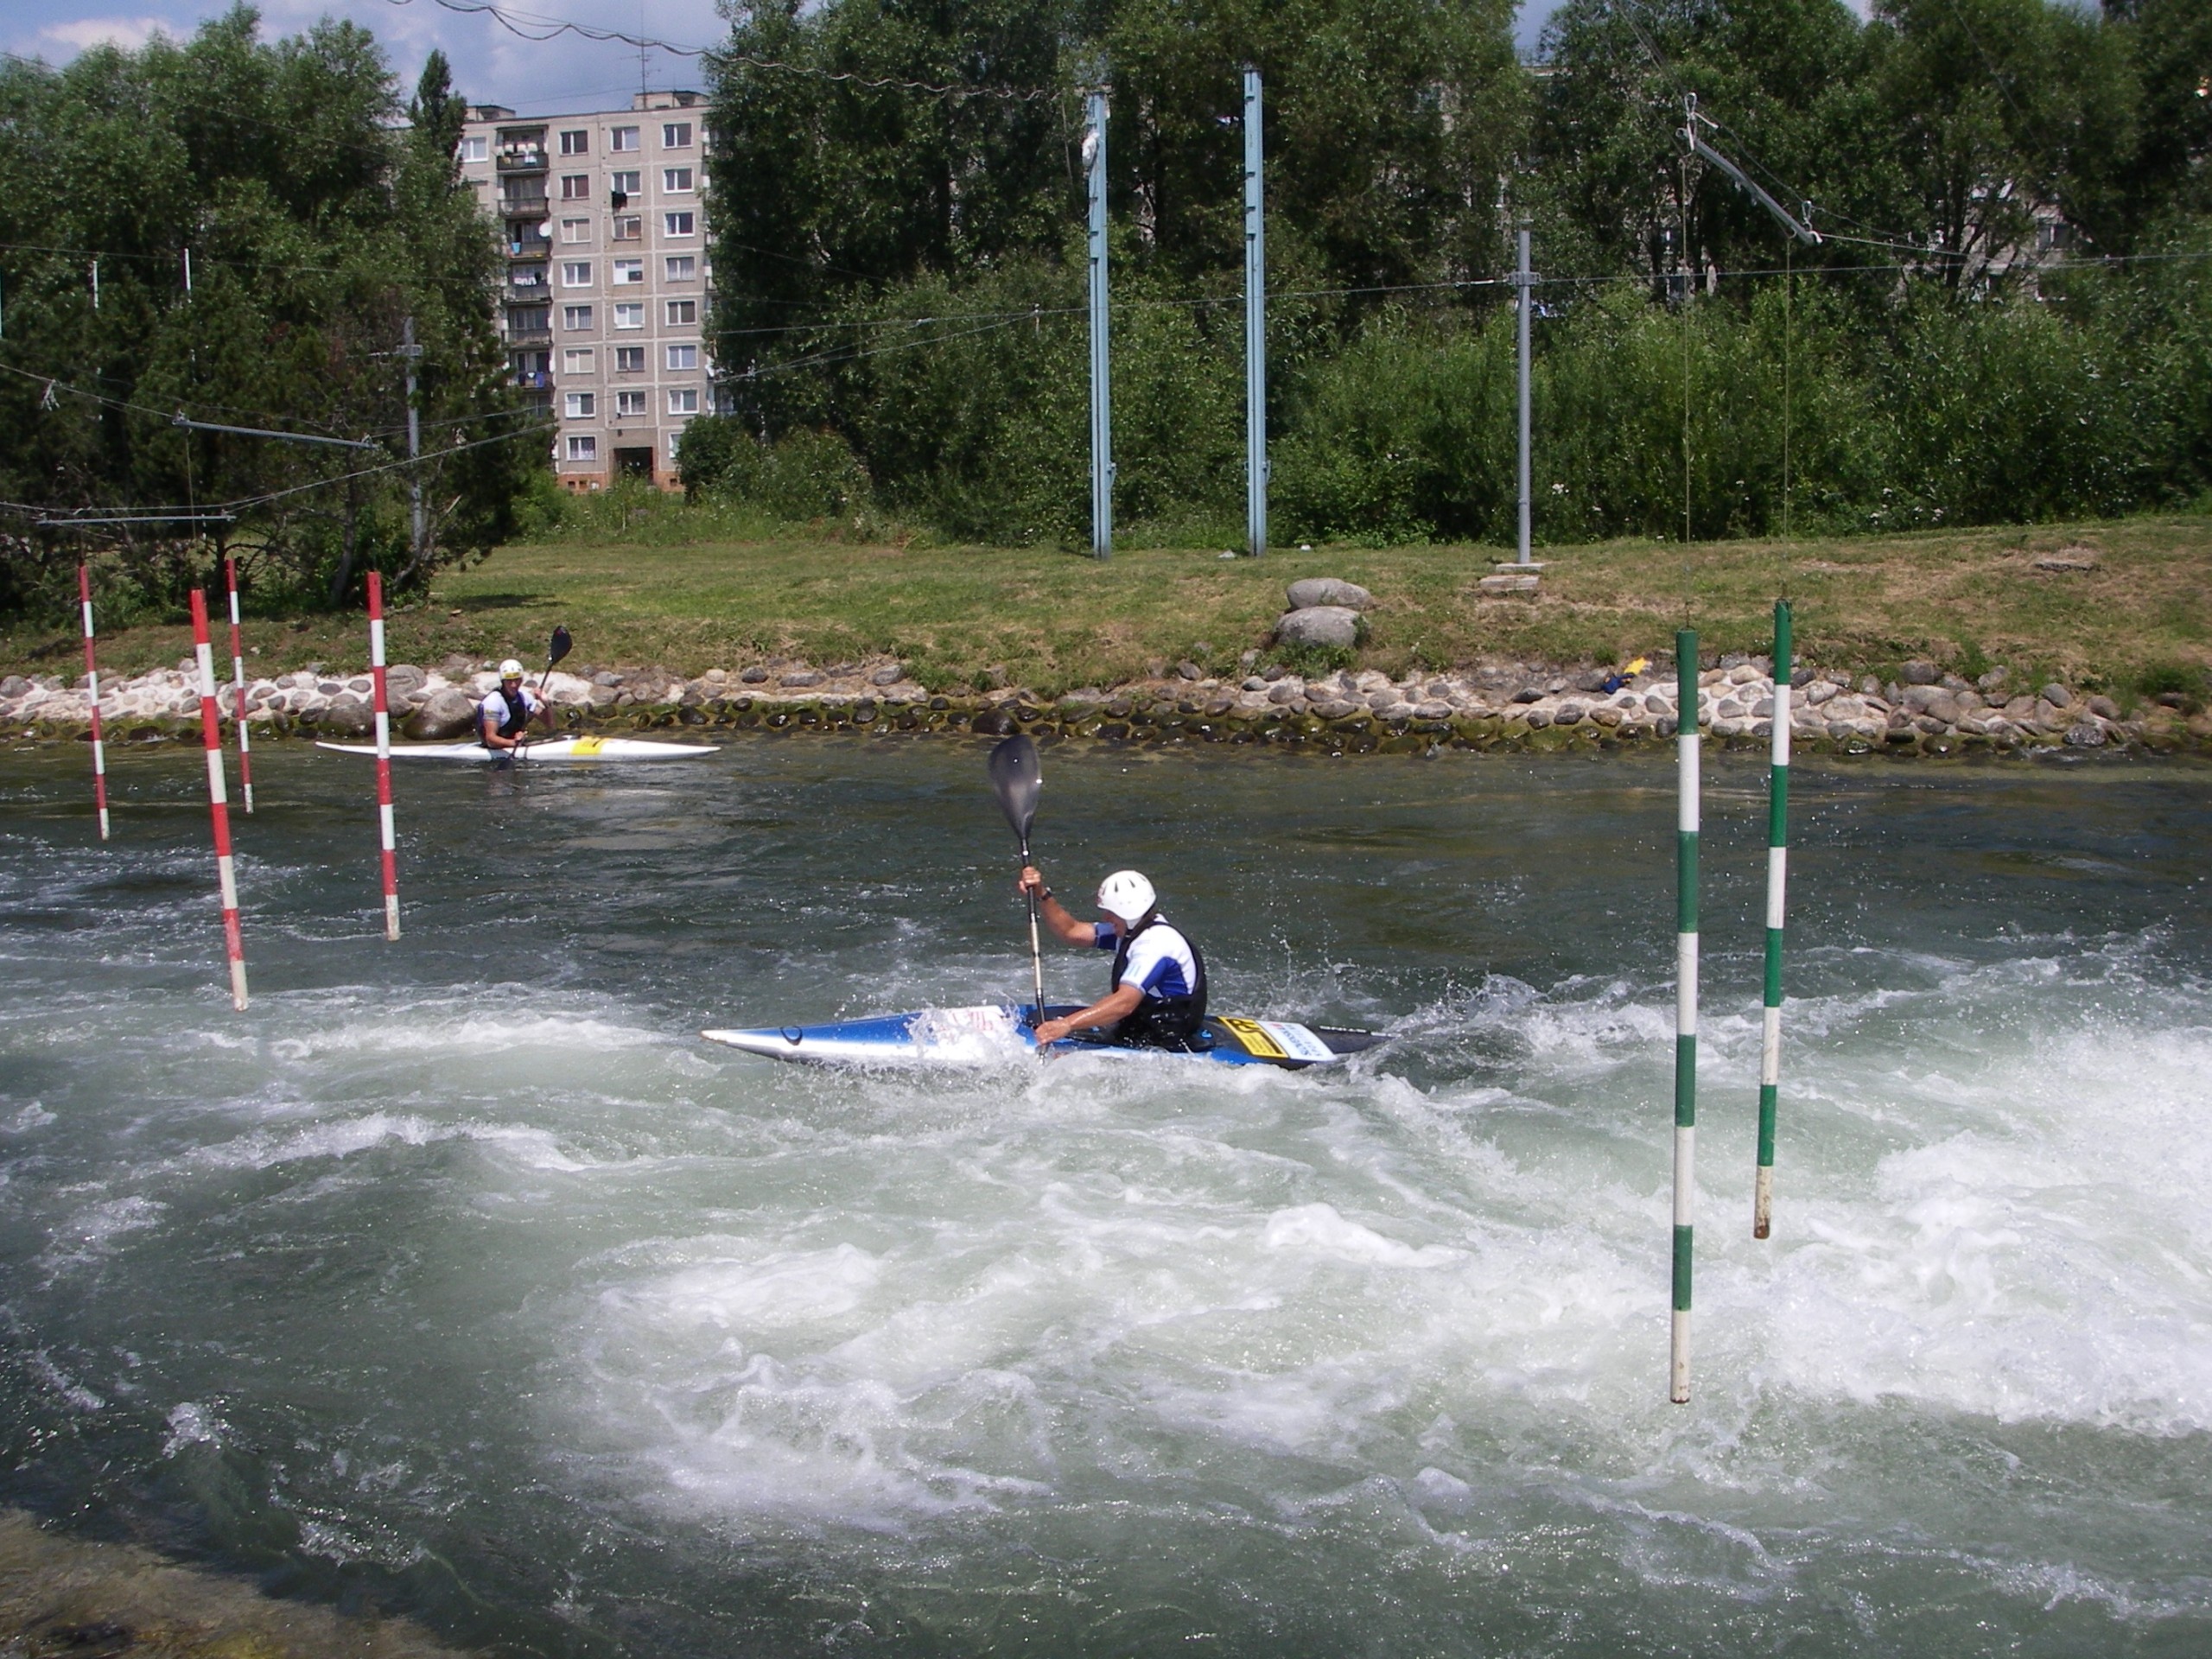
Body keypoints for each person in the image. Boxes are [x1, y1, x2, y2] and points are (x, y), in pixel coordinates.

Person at [1016, 865, 1208, 1050]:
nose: (1106, 918)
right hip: (1141, 1025)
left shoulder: (1154, 944)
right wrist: (1042, 894)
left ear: (1128, 913)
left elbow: (1125, 1003)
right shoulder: (1131, 930)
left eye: (1111, 912)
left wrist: (1066, 1025)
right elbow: (1072, 931)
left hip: (1167, 1037)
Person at [479, 658, 550, 753]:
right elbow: (490, 740)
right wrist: (513, 743)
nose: (514, 685)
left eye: (517, 680)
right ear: (503, 681)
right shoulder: (493, 702)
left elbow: (551, 725)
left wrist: (546, 703)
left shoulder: (525, 698)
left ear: (521, 680)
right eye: (509, 680)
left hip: (515, 744)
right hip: (494, 749)